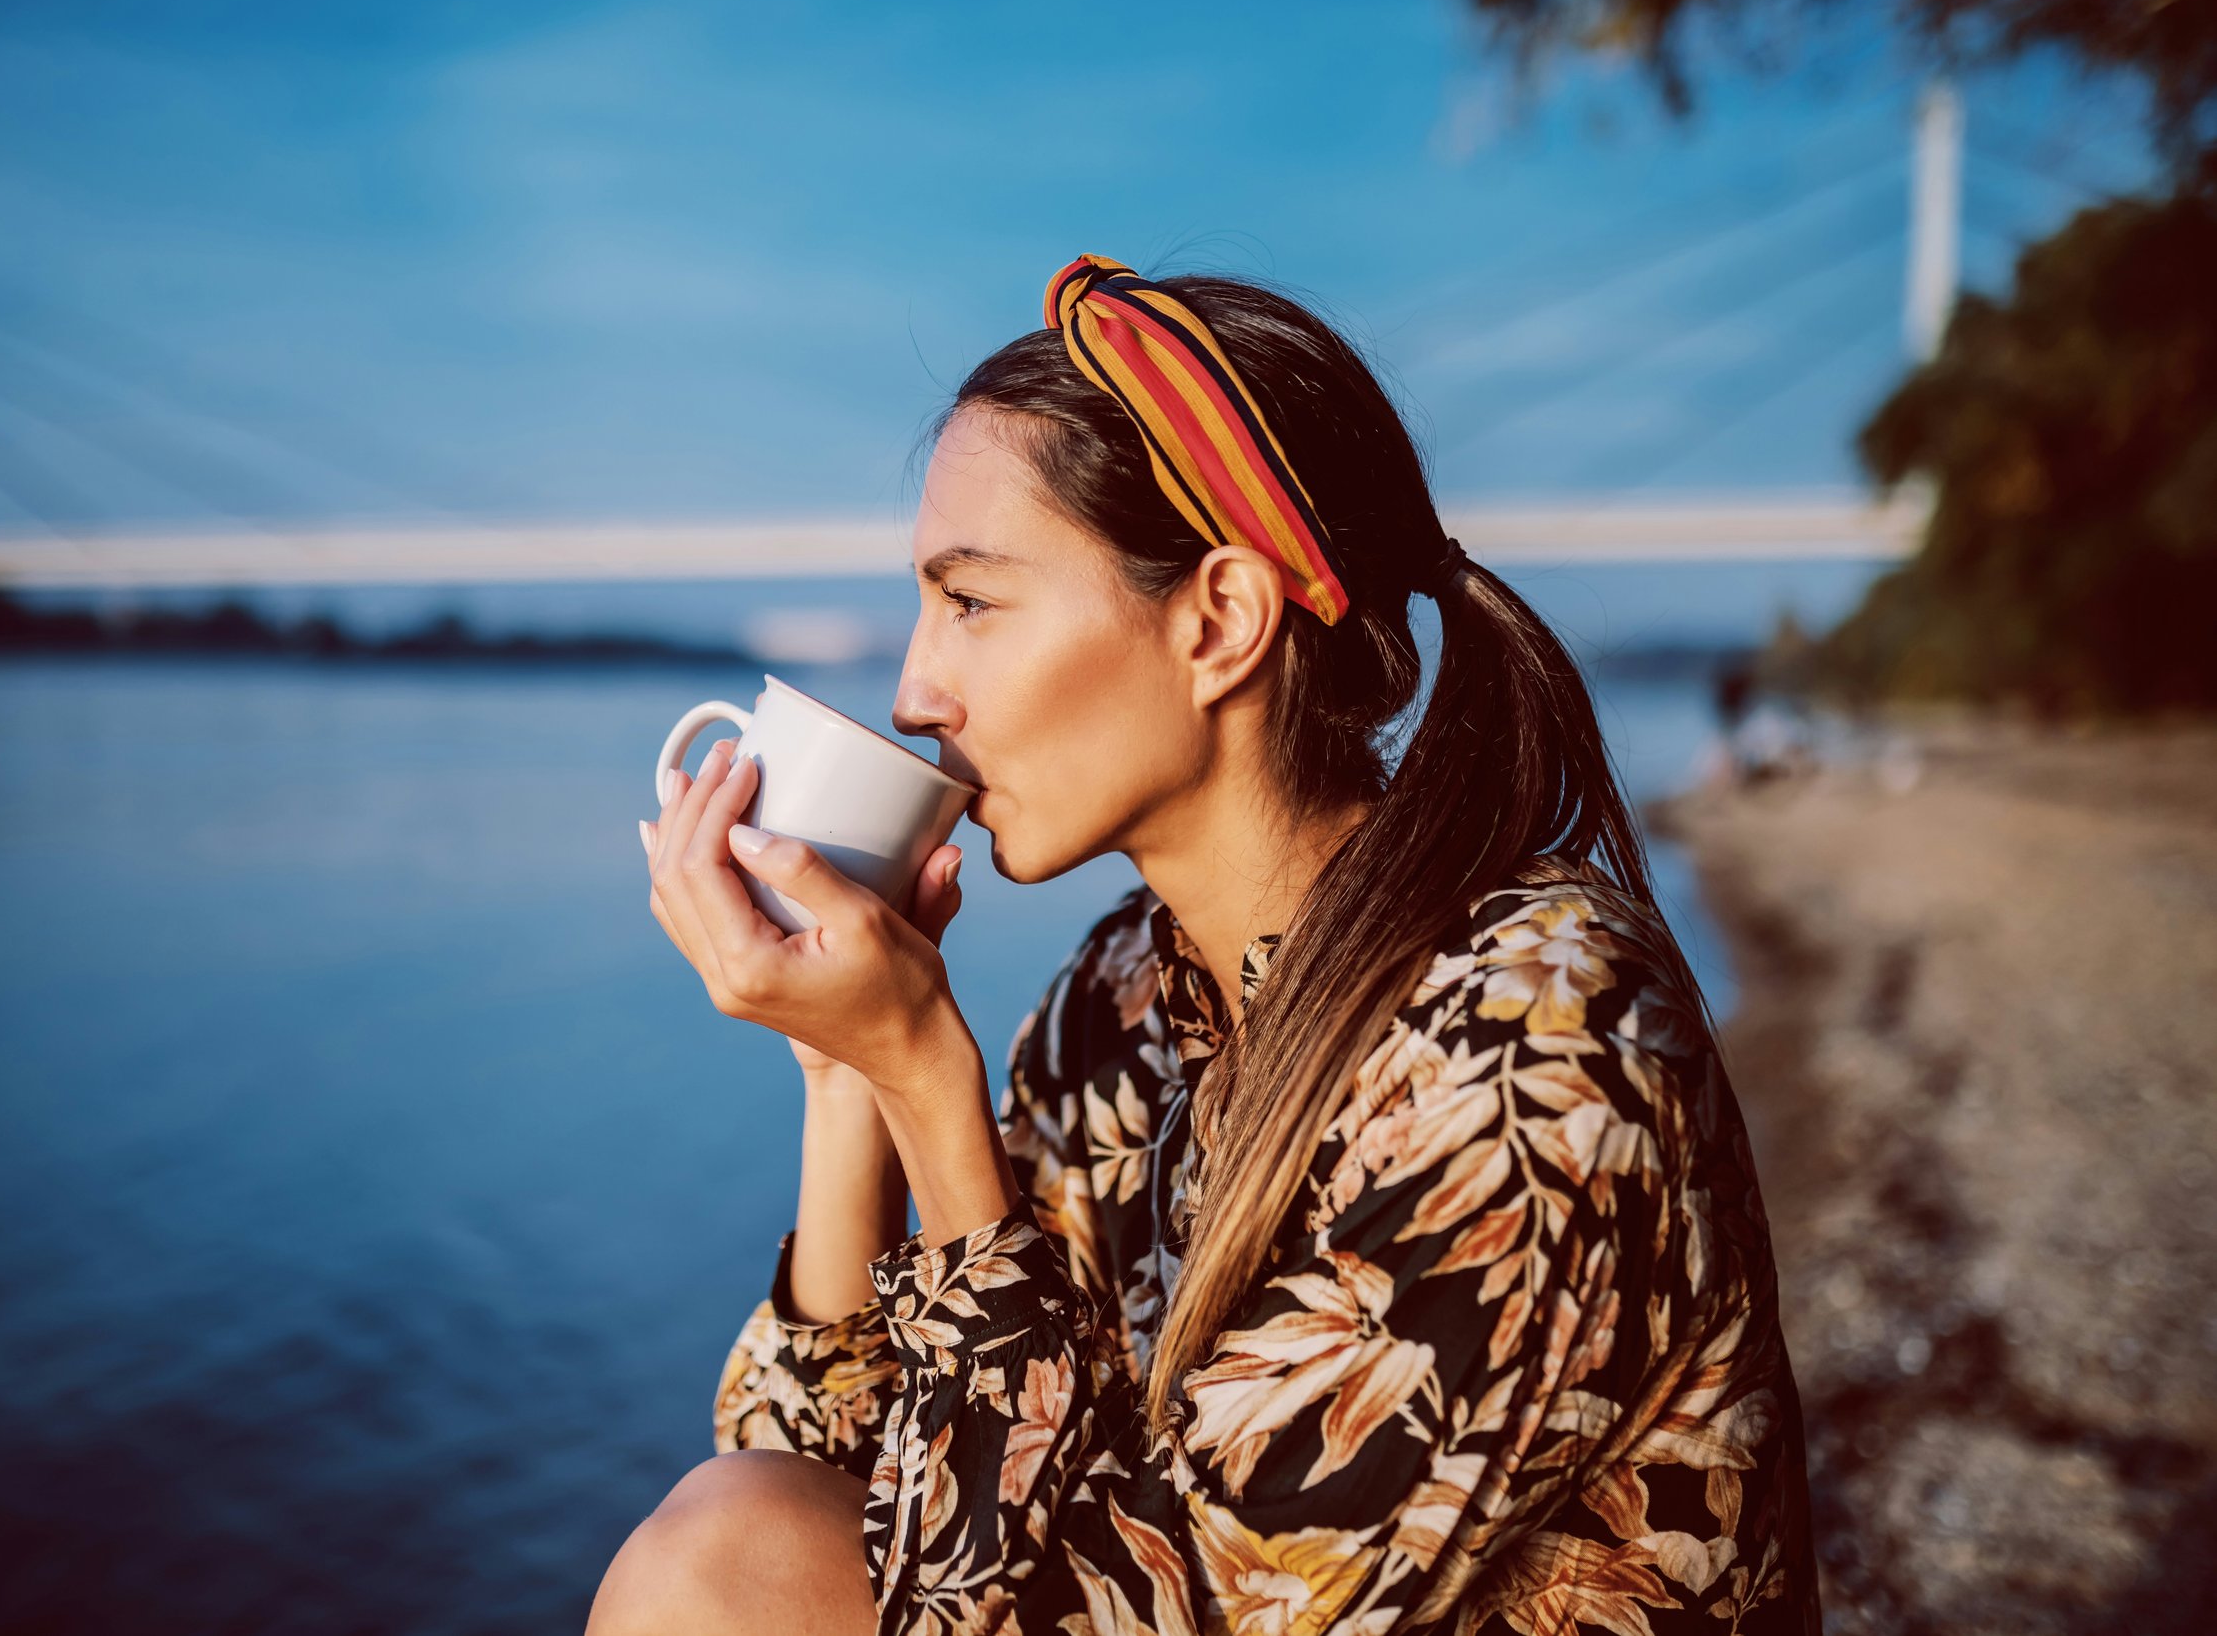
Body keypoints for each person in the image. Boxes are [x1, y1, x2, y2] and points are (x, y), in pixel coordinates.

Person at [598, 255, 1819, 1635]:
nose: (913, 690)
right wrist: (849, 1078)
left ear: (1219, 621)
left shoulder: (1534, 1045)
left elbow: (1094, 1617)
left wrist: (934, 1083)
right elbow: (804, 1475)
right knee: (727, 1544)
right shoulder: (1123, 999)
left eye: (974, 603)